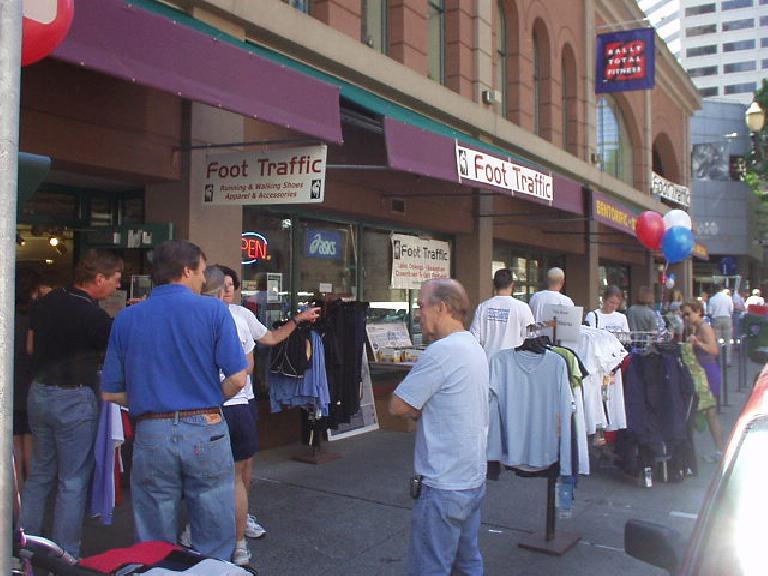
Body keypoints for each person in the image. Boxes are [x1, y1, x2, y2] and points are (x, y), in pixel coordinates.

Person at [101, 240, 248, 561]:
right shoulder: (213, 311)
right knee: (213, 530)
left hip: (152, 431)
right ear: (186, 270)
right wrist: (209, 398)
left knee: (153, 536)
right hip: (206, 426)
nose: (202, 279)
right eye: (200, 271)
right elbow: (238, 378)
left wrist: (147, 397)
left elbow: (110, 391)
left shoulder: (127, 318)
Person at [205, 264, 320, 565]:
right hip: (208, 404)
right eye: (224, 285)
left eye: (233, 284)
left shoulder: (242, 315)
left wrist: (297, 320)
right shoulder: (198, 315)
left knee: (241, 470)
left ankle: (238, 530)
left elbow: (269, 339)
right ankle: (212, 529)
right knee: (211, 473)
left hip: (240, 402)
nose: (229, 289)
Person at [21, 250, 123, 559]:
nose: (117, 287)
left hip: (39, 391)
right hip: (74, 395)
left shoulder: (47, 301)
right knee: (72, 479)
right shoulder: (93, 316)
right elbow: (115, 351)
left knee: (39, 473)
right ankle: (65, 554)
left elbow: (29, 346)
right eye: (116, 279)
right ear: (99, 279)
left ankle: (23, 548)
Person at [389, 279, 489, 575]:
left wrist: (419, 410)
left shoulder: (441, 352)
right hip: (471, 477)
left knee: (430, 567)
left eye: (421, 305)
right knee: (467, 562)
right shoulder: (473, 346)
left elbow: (398, 406)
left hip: (442, 483)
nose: (418, 313)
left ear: (441, 307)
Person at [13, 269, 51, 493]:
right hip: (31, 384)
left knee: (14, 446)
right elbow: (33, 349)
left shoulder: (8, 315)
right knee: (31, 445)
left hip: (10, 385)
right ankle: (28, 506)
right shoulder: (37, 319)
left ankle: (13, 502)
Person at [682, 301, 725, 462]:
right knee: (706, 413)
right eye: (684, 314)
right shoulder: (695, 327)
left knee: (711, 414)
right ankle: (719, 450)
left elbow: (714, 350)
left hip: (709, 373)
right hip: (701, 373)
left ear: (698, 311)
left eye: (688, 313)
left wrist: (697, 343)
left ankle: (720, 451)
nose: (686, 317)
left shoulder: (705, 328)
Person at [470, 269, 535, 359]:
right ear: (512, 285)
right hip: (514, 364)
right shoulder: (522, 308)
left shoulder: (482, 308)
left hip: (488, 363)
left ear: (494, 285)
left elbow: (474, 339)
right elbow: (531, 337)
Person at [707, 285, 733, 362]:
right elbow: (731, 310)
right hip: (727, 318)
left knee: (717, 340)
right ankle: (727, 360)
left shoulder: (712, 299)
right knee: (727, 340)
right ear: (722, 290)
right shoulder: (728, 298)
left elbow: (710, 312)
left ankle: (718, 359)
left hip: (716, 319)